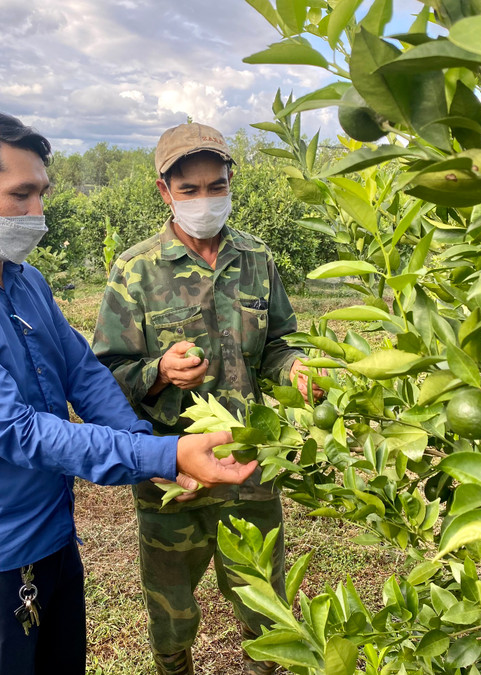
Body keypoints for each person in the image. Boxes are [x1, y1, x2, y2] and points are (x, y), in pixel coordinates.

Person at [0, 109, 256, 675]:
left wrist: (141, 445)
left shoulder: (24, 280)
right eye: (22, 195)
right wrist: (163, 452)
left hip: (53, 543)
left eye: (42, 194)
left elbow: (83, 372)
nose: (39, 214)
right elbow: (16, 432)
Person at [92, 122, 320, 675]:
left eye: (215, 186)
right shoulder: (136, 270)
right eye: (188, 189)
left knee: (262, 596)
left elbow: (279, 345)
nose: (204, 199)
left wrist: (298, 369)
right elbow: (104, 374)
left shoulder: (257, 259)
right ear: (164, 191)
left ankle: (265, 665)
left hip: (249, 463)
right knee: (171, 602)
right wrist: (160, 372)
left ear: (230, 182)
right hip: (175, 472)